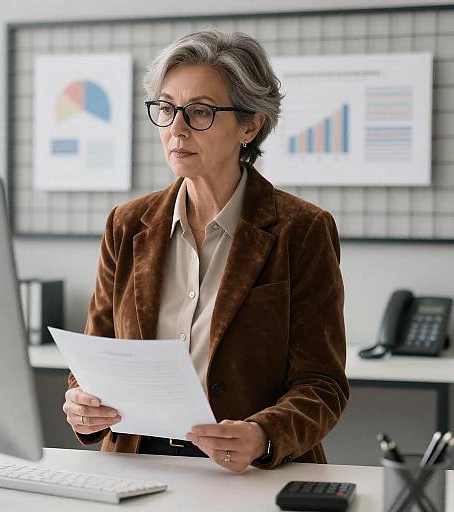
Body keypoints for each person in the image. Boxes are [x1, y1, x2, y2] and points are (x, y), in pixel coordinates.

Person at [63, 29, 349, 473]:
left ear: (250, 125)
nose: (176, 128)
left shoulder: (302, 229)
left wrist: (264, 435)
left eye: (200, 112)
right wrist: (84, 403)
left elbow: (322, 384)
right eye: (166, 108)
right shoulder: (127, 224)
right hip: (136, 465)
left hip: (248, 473)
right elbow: (96, 357)